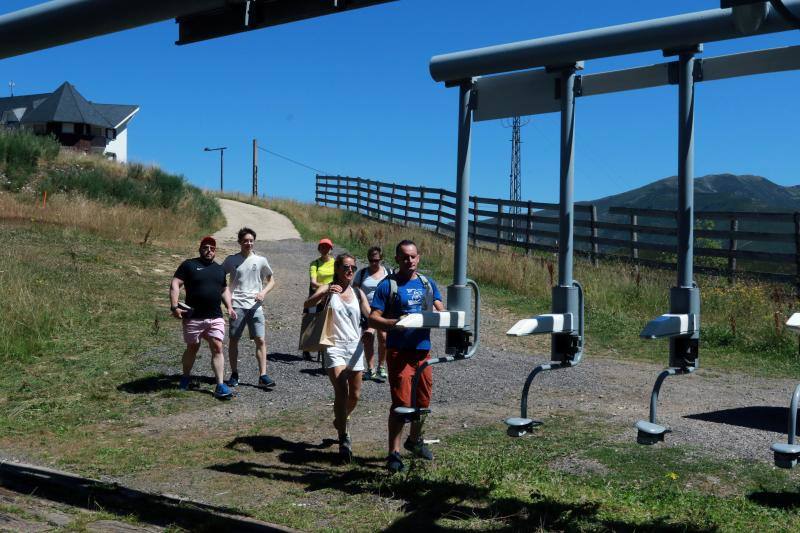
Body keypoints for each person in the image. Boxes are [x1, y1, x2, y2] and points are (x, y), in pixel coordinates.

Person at [369, 239, 445, 473]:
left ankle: (415, 441)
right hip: (399, 352)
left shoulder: (427, 284)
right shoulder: (387, 285)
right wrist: (395, 324)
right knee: (401, 404)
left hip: (423, 352)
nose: (409, 260)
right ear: (397, 259)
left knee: (423, 402)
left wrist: (448, 318)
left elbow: (440, 308)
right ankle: (394, 453)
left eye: (412, 256)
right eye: (404, 257)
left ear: (418, 257)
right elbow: (373, 318)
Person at [304, 253, 371, 463]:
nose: (350, 271)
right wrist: (323, 296)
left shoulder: (358, 293)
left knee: (355, 395)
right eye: (345, 267)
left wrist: (378, 327)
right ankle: (344, 438)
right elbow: (307, 304)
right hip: (333, 345)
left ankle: (339, 420)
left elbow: (370, 315)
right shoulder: (328, 288)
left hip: (355, 346)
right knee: (342, 389)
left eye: (353, 267)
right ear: (337, 269)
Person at [169, 236, 237, 400]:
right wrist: (174, 306)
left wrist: (229, 306)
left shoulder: (219, 269)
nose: (209, 250)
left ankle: (220, 385)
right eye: (206, 247)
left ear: (215, 251)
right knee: (193, 347)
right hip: (194, 317)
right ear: (200, 249)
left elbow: (223, 289)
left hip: (215, 317)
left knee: (218, 347)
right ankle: (185, 377)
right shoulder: (189, 265)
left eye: (212, 248)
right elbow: (175, 284)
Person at [222, 227, 276, 389]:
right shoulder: (231, 260)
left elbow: (272, 280)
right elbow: (219, 277)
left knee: (260, 339)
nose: (248, 243)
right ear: (239, 242)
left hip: (255, 306)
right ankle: (234, 374)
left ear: (254, 242)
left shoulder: (261, 260)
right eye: (245, 240)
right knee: (233, 340)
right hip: (237, 305)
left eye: (251, 240)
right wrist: (226, 298)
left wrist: (263, 292)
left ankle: (263, 375)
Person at [353, 246, 391, 382]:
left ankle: (381, 366)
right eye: (371, 260)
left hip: (383, 310)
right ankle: (370, 368)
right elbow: (355, 290)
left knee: (384, 338)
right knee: (368, 337)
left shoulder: (388, 272)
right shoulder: (362, 273)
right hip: (366, 310)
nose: (373, 263)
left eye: (376, 260)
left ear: (381, 259)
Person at [303, 238, 335, 361]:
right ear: (319, 249)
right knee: (310, 320)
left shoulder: (336, 263)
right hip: (317, 294)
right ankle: (306, 348)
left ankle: (327, 347)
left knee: (330, 321)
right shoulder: (314, 264)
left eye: (327, 247)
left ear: (331, 249)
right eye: (322, 247)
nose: (325, 249)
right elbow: (313, 282)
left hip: (332, 294)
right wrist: (325, 288)